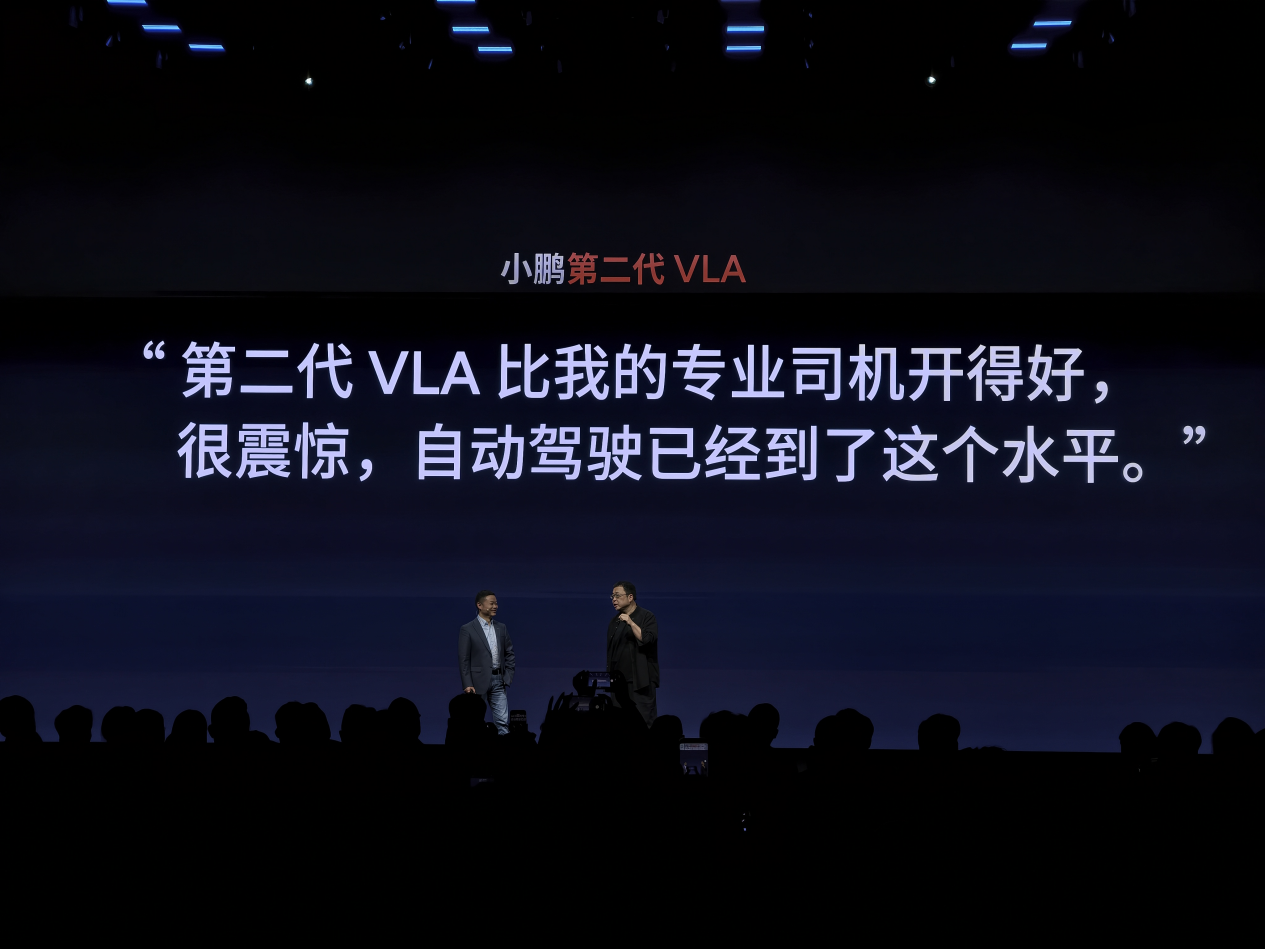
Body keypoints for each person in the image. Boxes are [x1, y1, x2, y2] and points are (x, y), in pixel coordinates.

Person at [458, 589, 516, 736]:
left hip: (499, 680)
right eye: (491, 603)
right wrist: (467, 683)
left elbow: (509, 653)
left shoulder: (501, 627)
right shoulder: (467, 629)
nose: (495, 606)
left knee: (502, 723)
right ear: (480, 605)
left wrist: (508, 676)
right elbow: (464, 659)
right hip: (477, 682)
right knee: (475, 722)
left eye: (496, 603)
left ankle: (504, 749)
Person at [606, 581, 659, 727]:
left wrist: (630, 622)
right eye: (612, 596)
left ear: (630, 597)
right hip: (618, 684)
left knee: (644, 724)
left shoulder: (647, 616)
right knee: (619, 725)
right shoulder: (614, 622)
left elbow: (646, 640)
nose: (614, 599)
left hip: (641, 683)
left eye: (617, 596)